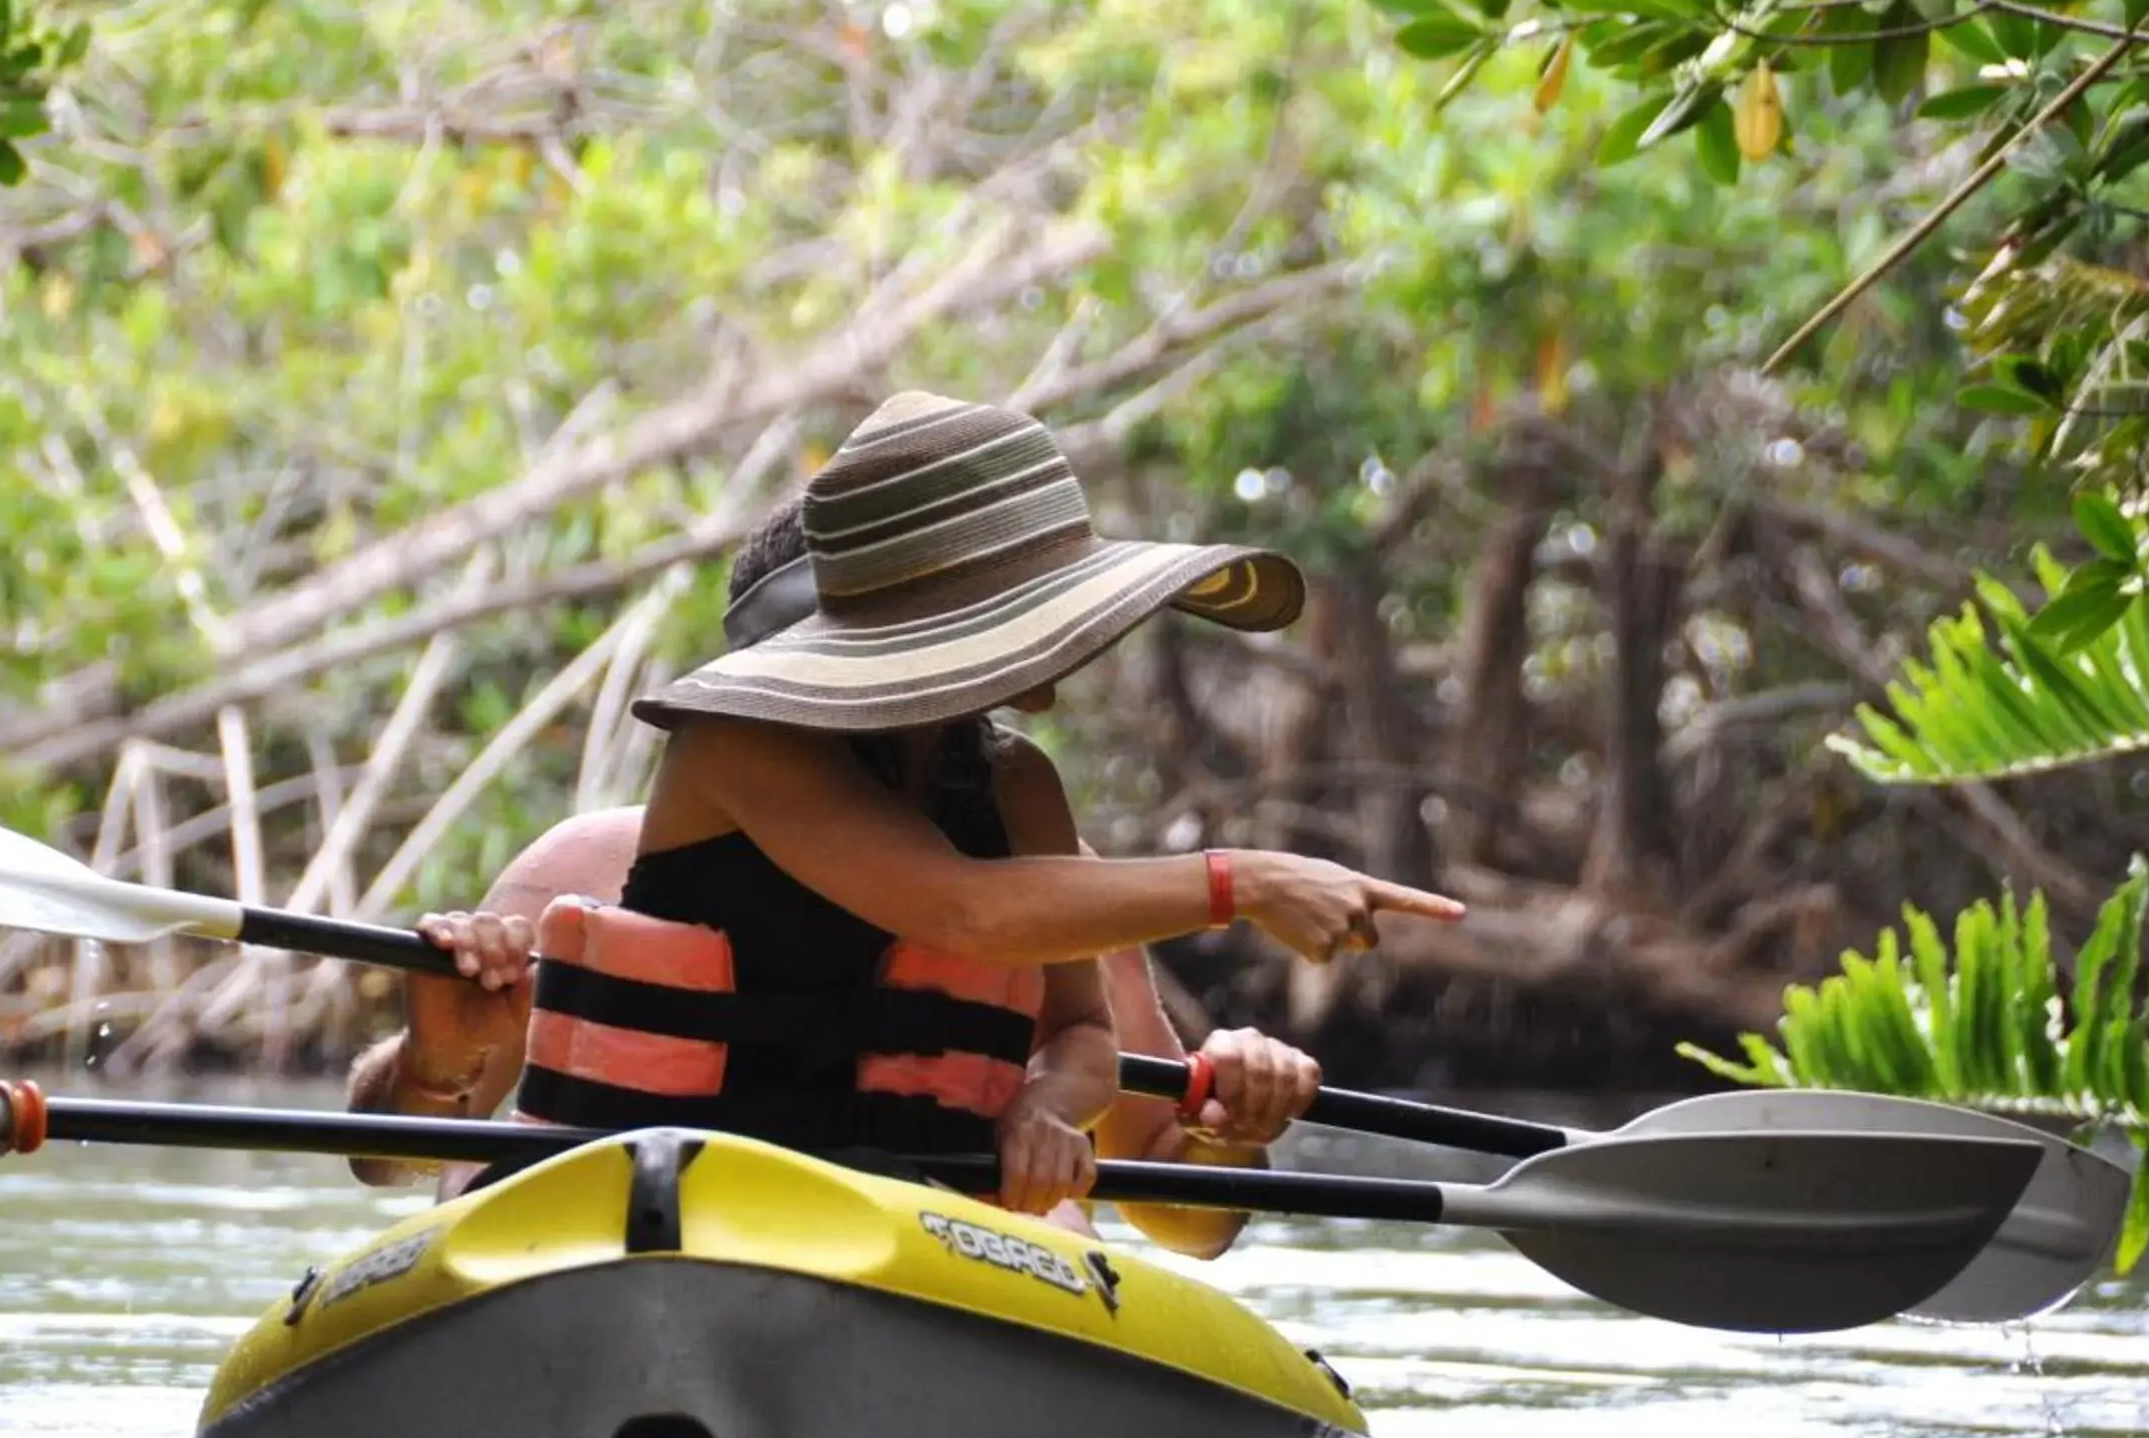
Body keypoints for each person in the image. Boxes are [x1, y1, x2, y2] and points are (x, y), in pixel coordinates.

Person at [353, 394, 1455, 1245]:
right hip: (625, 1217)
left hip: (904, 1236)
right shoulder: (698, 771)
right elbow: (392, 1154)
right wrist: (436, 1058)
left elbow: (1165, 1170)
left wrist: (1096, 1114)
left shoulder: (1019, 798)